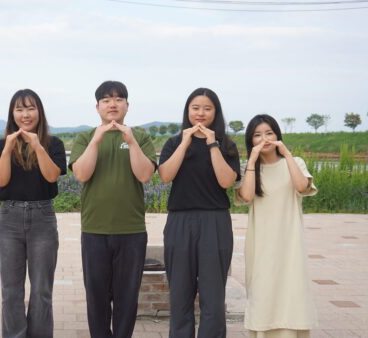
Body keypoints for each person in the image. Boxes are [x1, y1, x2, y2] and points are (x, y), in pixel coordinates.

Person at [70, 80, 157, 337]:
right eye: (106, 100)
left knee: (127, 298)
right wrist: (96, 141)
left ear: (127, 105)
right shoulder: (86, 137)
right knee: (96, 299)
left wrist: (131, 143)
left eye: (118, 99)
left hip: (131, 231)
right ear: (97, 106)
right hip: (95, 230)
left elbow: (145, 175)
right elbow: (82, 174)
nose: (112, 104)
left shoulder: (139, 136)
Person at [158, 87, 240, 337]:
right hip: (179, 221)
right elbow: (165, 176)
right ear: (187, 111)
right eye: (195, 108)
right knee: (180, 293)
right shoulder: (173, 143)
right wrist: (185, 143)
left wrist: (212, 144)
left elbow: (227, 182)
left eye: (207, 108)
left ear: (216, 112)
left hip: (214, 221)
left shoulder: (226, 144)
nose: (201, 113)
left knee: (213, 295)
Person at [0, 89, 67, 337]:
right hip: (9, 218)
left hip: (43, 216)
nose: (25, 114)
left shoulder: (54, 144)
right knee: (11, 291)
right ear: (12, 114)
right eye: (19, 109)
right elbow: (1, 180)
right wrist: (8, 147)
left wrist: (36, 145)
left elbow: (52, 176)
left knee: (42, 289)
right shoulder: (3, 144)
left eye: (30, 108)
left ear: (39, 112)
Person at [235, 114, 317, 338]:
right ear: (251, 141)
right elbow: (247, 196)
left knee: (291, 290)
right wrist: (251, 161)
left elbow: (301, 187)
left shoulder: (295, 162)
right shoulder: (249, 169)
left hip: (290, 242)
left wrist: (287, 154)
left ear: (277, 135)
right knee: (263, 291)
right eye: (257, 135)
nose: (264, 139)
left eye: (269, 133)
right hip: (261, 242)